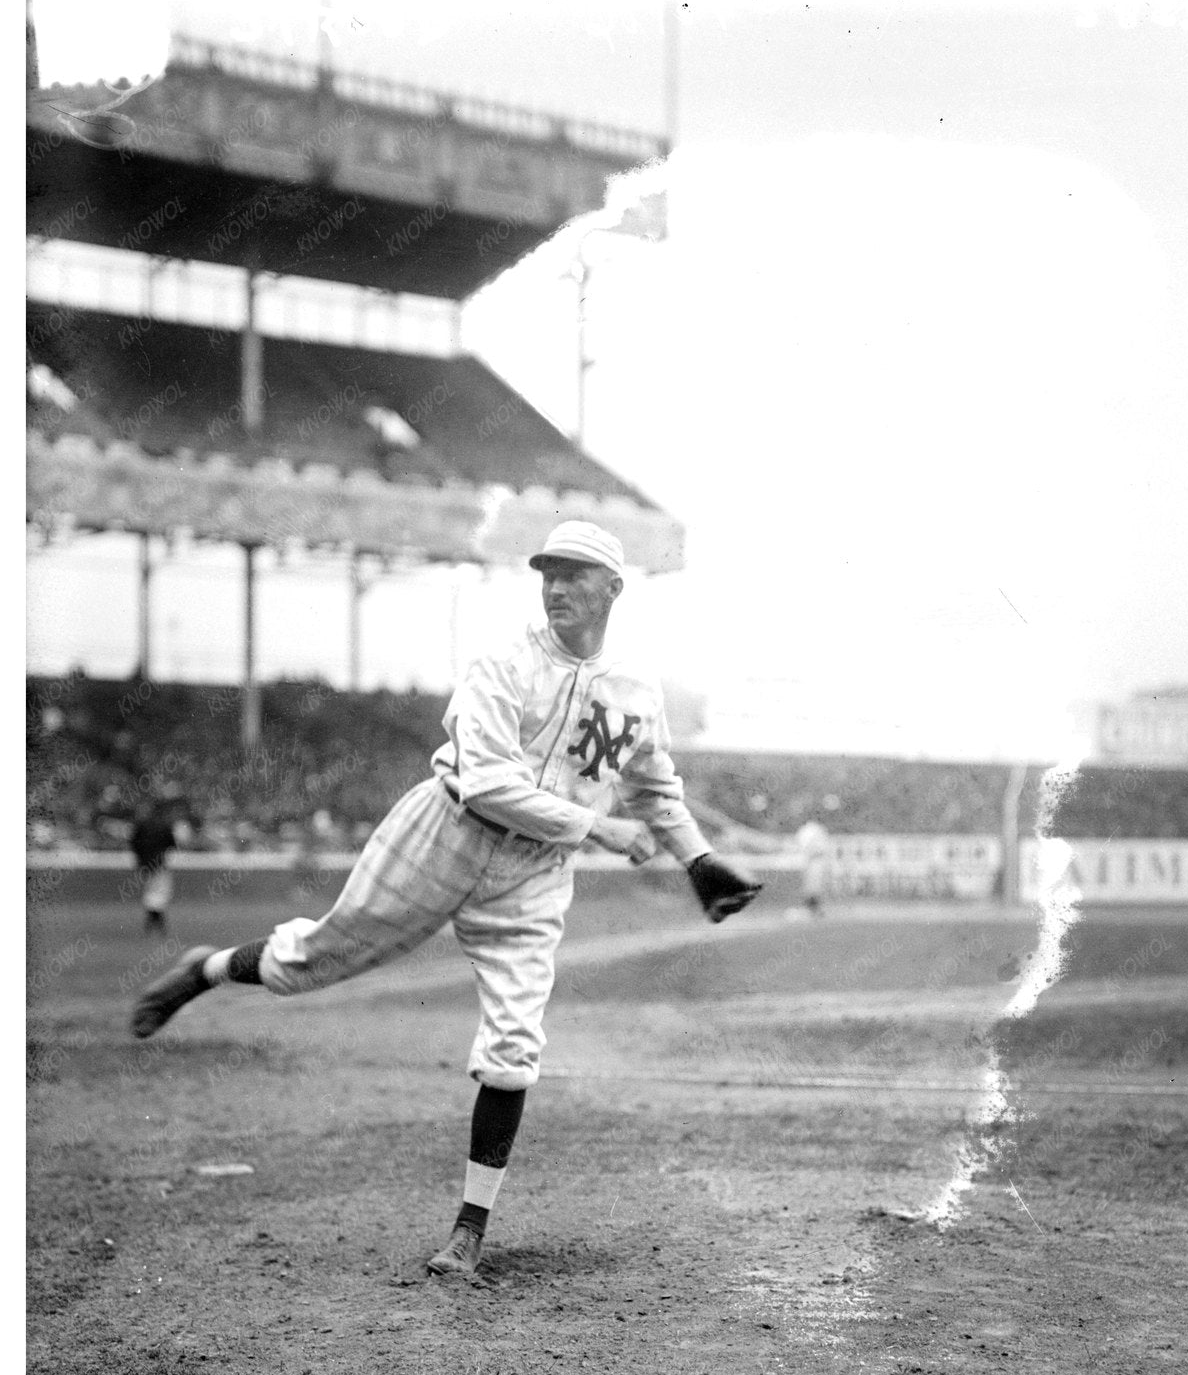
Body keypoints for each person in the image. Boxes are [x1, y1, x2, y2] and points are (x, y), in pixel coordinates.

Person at [131, 522, 761, 1280]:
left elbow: (655, 786)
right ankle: (204, 970)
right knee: (311, 961)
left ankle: (470, 1227)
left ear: (613, 589)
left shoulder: (635, 688)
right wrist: (599, 827)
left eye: (575, 574)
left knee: (514, 1048)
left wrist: (696, 857)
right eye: (548, 572)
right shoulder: (503, 663)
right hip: (446, 832)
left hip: (533, 876)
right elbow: (492, 785)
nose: (556, 586)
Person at [129, 796, 179, 935]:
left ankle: (153, 921)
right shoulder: (164, 825)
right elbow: (172, 845)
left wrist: (141, 859)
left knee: (150, 891)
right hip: (159, 863)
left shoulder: (141, 825)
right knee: (160, 892)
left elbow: (134, 843)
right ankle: (157, 921)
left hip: (145, 864)